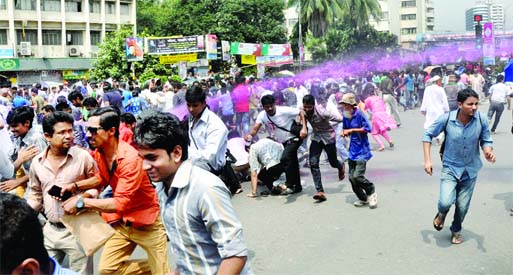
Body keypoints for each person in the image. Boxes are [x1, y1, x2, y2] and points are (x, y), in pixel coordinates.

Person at [133, 110, 252, 275]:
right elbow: (190, 253)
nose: (145, 166)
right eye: (142, 158)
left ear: (176, 153)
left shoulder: (205, 189)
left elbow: (235, 255)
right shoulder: (163, 188)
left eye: (152, 158)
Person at [60, 107, 170, 275]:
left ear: (111, 131)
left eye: (93, 130)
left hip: (147, 224)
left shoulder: (130, 159)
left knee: (161, 272)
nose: (88, 135)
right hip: (124, 223)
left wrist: (81, 202)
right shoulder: (100, 152)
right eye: (87, 130)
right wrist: (76, 186)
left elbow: (120, 202)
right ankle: (163, 268)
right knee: (107, 270)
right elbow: (102, 177)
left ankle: (163, 269)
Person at [26, 112, 97, 274]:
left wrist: (81, 199)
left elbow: (96, 186)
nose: (69, 136)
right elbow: (35, 195)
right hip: (50, 231)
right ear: (47, 136)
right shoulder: (37, 163)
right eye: (62, 132)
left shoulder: (83, 157)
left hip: (78, 229)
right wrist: (24, 218)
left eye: (70, 131)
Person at [423, 88, 495, 244]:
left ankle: (456, 230)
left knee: (462, 206)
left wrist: (488, 151)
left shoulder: (481, 119)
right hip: (450, 167)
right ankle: (442, 214)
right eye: (470, 104)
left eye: (476, 104)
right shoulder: (447, 119)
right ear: (460, 104)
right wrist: (427, 160)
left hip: (470, 170)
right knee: (445, 202)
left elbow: (486, 140)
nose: (474, 107)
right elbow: (427, 135)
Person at [0, 193, 80, 275]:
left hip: (75, 231)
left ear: (27, 272)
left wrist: (80, 200)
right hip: (51, 229)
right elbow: (35, 197)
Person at [246, 94, 307, 195]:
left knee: (285, 158)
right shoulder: (262, 115)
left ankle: (289, 184)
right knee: (293, 161)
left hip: (295, 137)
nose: (269, 108)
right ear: (263, 107)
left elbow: (301, 111)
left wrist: (304, 127)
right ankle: (298, 186)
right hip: (285, 141)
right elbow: (256, 127)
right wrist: (250, 135)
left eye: (271, 106)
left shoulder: (283, 110)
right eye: (267, 107)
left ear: (275, 104)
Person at [302, 94, 345, 202]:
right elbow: (300, 117)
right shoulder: (303, 111)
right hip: (316, 138)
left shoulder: (323, 112)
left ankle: (340, 166)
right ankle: (320, 191)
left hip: (328, 137)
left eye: (309, 107)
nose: (307, 109)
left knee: (333, 162)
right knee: (313, 162)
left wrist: (348, 127)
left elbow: (340, 119)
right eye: (305, 106)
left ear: (313, 105)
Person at [339, 93, 378, 209]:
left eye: (346, 105)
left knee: (357, 176)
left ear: (351, 105)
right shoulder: (345, 116)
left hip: (362, 150)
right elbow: (345, 128)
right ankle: (363, 198)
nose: (344, 107)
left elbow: (368, 128)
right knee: (351, 178)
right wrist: (344, 132)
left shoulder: (360, 114)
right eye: (343, 105)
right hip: (352, 151)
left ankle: (370, 190)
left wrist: (352, 130)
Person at [4, 106, 47, 197]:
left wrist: (18, 182)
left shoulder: (36, 138)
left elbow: (43, 170)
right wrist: (19, 160)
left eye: (15, 126)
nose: (11, 130)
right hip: (30, 181)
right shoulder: (20, 135)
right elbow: (10, 160)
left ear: (27, 123)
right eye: (10, 126)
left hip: (42, 186)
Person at [186, 86, 228, 173]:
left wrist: (185, 153)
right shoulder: (191, 119)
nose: (191, 109)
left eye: (195, 106)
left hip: (211, 171)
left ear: (204, 103)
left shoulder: (215, 125)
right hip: (194, 166)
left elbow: (209, 155)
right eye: (188, 105)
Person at [420, 75, 449, 144]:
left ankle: (429, 137)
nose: (441, 82)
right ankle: (438, 139)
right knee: (439, 124)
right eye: (440, 81)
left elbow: (425, 99)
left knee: (430, 123)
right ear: (437, 81)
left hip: (430, 110)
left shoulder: (427, 89)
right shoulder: (441, 89)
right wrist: (447, 109)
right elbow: (444, 100)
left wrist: (423, 109)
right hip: (439, 110)